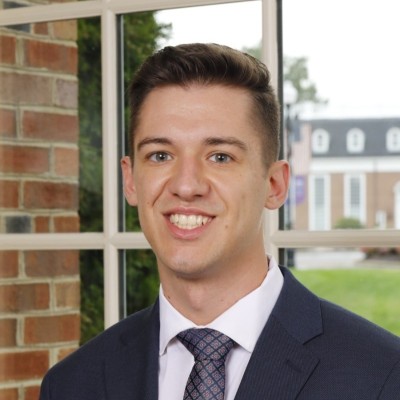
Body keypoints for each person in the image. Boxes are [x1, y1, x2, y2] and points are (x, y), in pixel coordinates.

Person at [40, 43, 400, 400]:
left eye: (220, 157)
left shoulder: (382, 376)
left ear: (274, 185)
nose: (186, 186)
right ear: (131, 180)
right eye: (160, 155)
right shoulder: (71, 385)